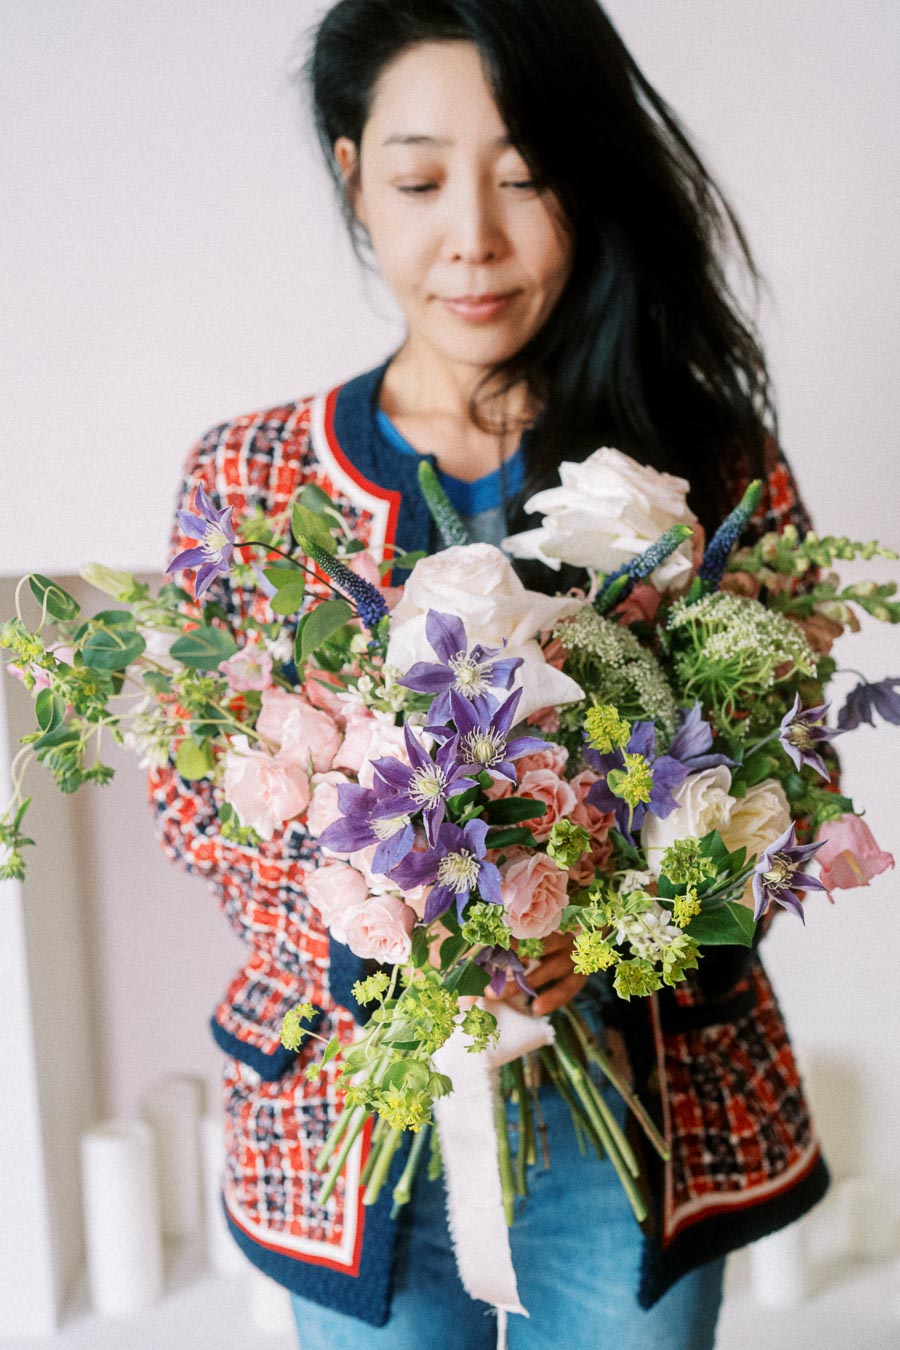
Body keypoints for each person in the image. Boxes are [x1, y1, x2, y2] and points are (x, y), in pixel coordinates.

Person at [149, 2, 829, 1345]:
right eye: (417, 179)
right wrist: (389, 921)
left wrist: (615, 915)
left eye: (526, 176)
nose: (473, 236)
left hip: (633, 1124)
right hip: (359, 1113)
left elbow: (793, 783)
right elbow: (198, 804)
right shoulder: (251, 478)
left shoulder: (709, 464)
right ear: (353, 176)